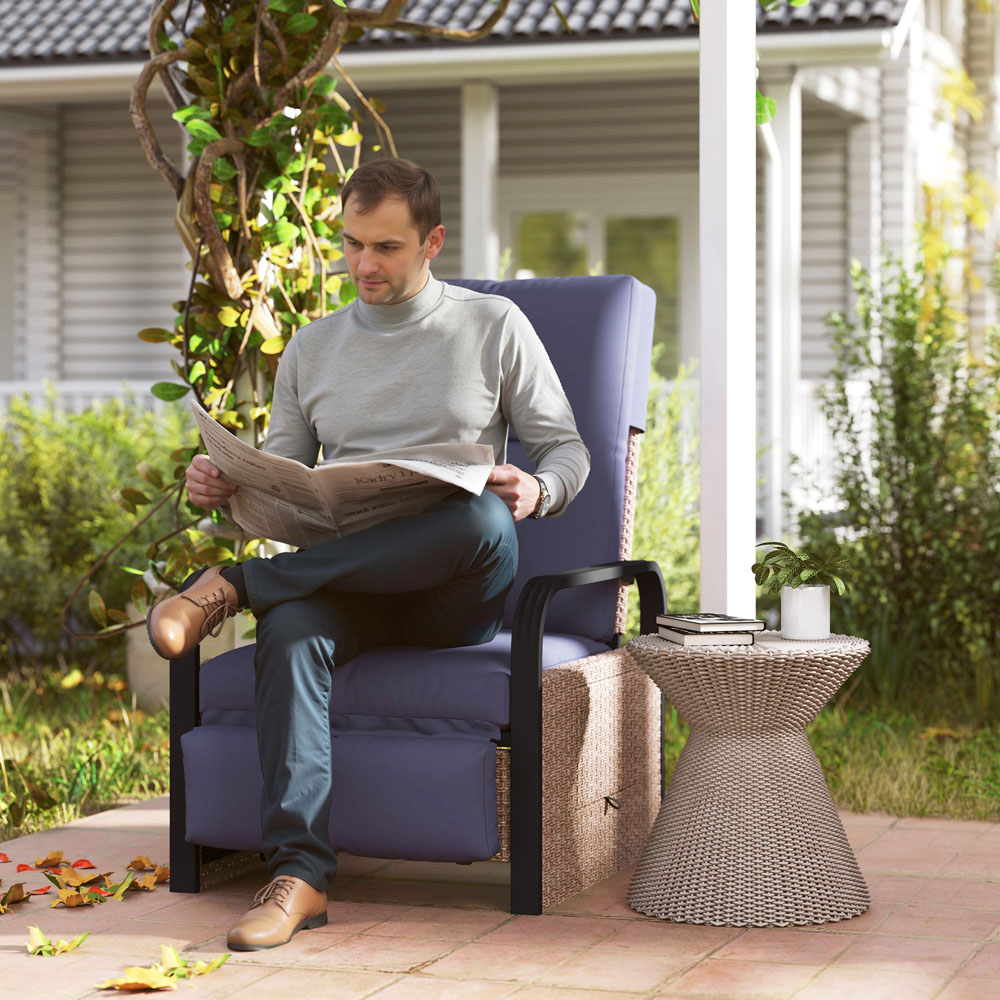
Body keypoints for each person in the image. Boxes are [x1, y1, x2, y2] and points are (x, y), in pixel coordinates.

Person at [147, 158, 589, 951]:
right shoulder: (313, 350)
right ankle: (300, 876)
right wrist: (227, 487)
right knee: (289, 633)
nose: (363, 266)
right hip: (348, 578)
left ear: (433, 241)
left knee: (485, 520)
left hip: (455, 587)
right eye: (351, 245)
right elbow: (280, 483)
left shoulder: (493, 327)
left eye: (385, 247)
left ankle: (235, 588)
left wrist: (537, 489)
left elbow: (567, 450)